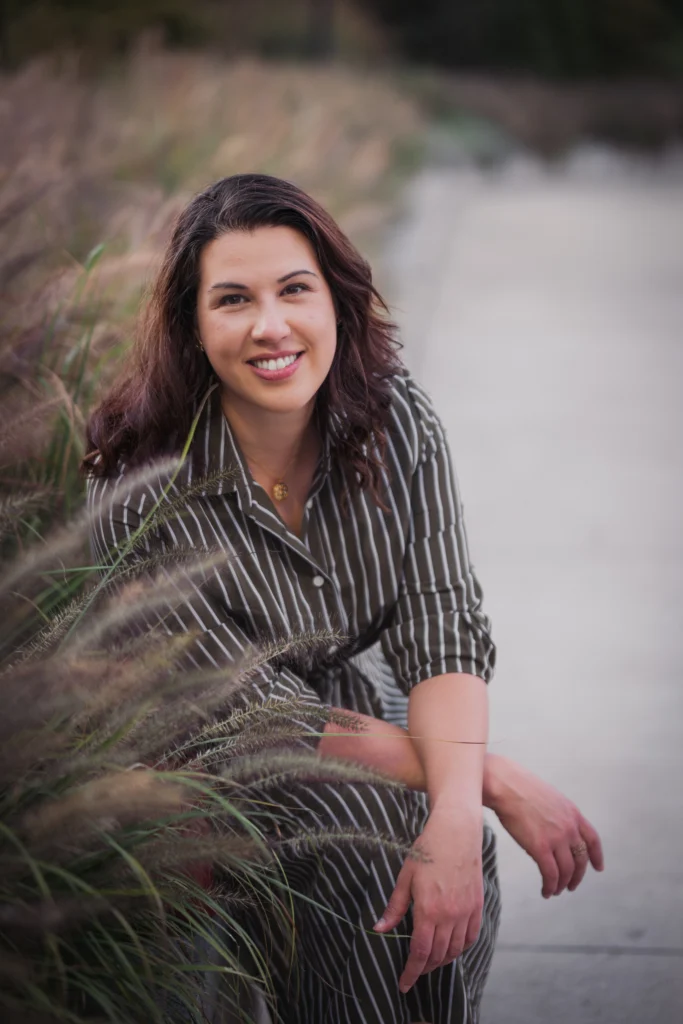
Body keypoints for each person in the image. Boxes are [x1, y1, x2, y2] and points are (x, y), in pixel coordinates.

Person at [83, 173, 603, 1024]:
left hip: (358, 702)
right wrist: (485, 778)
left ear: (336, 302)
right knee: (371, 823)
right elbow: (258, 716)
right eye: (232, 300)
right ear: (190, 326)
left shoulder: (397, 422)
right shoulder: (145, 496)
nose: (271, 325)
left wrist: (454, 808)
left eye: (295, 289)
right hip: (204, 753)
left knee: (451, 834)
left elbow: (442, 631)